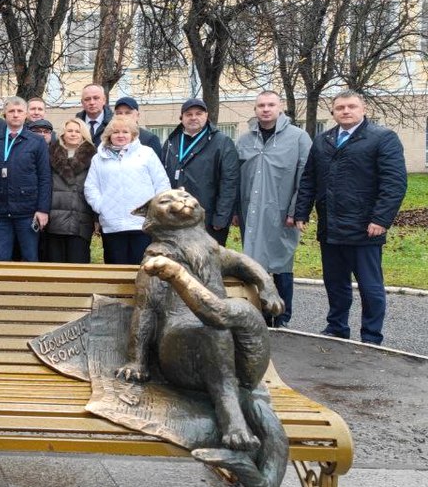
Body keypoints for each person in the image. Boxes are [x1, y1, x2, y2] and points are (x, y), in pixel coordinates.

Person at [295, 90, 407, 345]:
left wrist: (381, 219)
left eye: (351, 106)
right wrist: (302, 211)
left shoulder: (382, 138)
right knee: (335, 283)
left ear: (363, 109)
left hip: (365, 228)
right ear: (333, 112)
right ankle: (336, 327)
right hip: (330, 226)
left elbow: (394, 183)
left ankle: (371, 335)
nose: (346, 111)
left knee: (370, 286)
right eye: (340, 107)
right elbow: (309, 179)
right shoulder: (323, 140)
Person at [234, 91, 312, 328]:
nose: (266, 109)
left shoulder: (298, 138)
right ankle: (260, 314)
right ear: (255, 109)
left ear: (280, 107)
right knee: (254, 265)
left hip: (281, 214)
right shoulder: (245, 140)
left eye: (270, 105)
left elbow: (306, 177)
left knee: (281, 264)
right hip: (251, 213)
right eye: (261, 105)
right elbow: (236, 178)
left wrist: (296, 211)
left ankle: (282, 316)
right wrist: (236, 211)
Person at [84, 115, 170, 265]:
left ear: (133, 134)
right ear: (109, 135)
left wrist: (155, 210)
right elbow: (91, 187)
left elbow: (162, 184)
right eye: (116, 132)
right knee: (116, 269)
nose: (120, 135)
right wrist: (101, 206)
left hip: (143, 223)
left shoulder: (147, 153)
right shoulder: (98, 158)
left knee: (143, 268)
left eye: (125, 132)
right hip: (113, 224)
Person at [160, 98, 240, 246]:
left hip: (207, 217)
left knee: (206, 258)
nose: (193, 117)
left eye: (198, 113)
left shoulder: (222, 142)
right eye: (188, 114)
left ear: (206, 116)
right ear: (181, 118)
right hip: (176, 216)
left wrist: (221, 217)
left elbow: (229, 182)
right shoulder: (172, 141)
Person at [0, 97, 51, 262]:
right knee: (1, 258)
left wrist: (43, 209)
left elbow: (45, 178)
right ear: (5, 114)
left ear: (26, 114)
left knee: (30, 258)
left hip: (28, 212)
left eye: (20, 111)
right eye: (12, 111)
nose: (16, 114)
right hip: (0, 213)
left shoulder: (37, 142)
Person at [42, 118, 97, 263]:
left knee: (78, 266)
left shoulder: (94, 157)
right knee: (55, 267)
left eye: (77, 131)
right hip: (54, 220)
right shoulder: (50, 154)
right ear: (63, 134)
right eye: (70, 131)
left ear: (83, 134)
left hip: (81, 219)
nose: (73, 134)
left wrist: (96, 219)